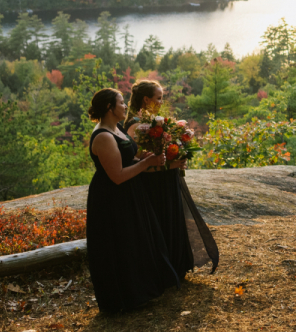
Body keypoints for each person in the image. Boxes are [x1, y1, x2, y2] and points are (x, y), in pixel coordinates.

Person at [86, 88, 179, 313]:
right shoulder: (104, 137)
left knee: (136, 240)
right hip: (112, 198)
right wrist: (146, 164)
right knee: (120, 244)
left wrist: (141, 156)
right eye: (121, 103)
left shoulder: (116, 128)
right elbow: (117, 176)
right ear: (109, 107)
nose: (125, 106)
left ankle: (142, 290)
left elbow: (128, 156)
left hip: (129, 193)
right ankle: (125, 297)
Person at [125, 80, 219, 275]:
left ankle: (176, 265)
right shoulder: (135, 126)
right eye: (158, 98)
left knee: (172, 223)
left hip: (165, 182)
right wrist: (172, 164)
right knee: (159, 226)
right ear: (146, 99)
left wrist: (179, 151)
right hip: (152, 186)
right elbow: (142, 163)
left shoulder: (155, 122)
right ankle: (164, 270)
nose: (161, 102)